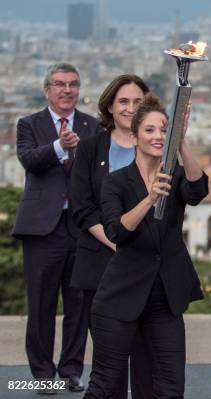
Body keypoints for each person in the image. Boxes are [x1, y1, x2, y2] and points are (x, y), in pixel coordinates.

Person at [82, 94, 208, 398]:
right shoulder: (116, 181)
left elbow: (198, 190)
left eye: (164, 130)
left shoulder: (175, 175)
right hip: (121, 295)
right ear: (134, 136)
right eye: (150, 130)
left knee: (170, 385)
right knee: (105, 384)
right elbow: (116, 232)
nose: (158, 136)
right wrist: (149, 199)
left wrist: (180, 142)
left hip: (165, 296)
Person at [13, 62, 99, 394]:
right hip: (42, 229)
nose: (67, 90)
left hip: (80, 226)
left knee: (79, 304)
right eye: (60, 84)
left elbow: (97, 174)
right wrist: (61, 147)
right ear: (46, 90)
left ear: (79, 89)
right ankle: (42, 374)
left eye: (73, 84)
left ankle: (71, 370)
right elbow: (29, 160)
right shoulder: (29, 124)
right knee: (41, 305)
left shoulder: (93, 126)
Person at [70, 74, 153, 398]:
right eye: (123, 101)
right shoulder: (91, 147)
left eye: (137, 102)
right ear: (109, 105)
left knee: (147, 359)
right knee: (109, 362)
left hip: (147, 267)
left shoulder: (157, 146)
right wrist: (114, 238)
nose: (130, 108)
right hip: (102, 265)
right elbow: (81, 206)